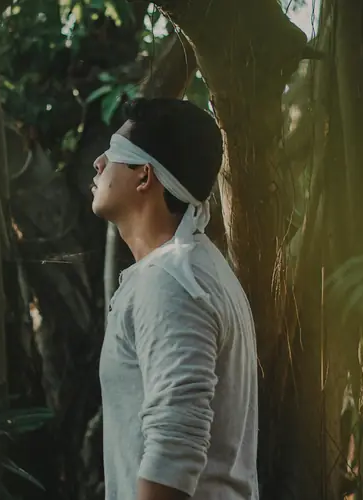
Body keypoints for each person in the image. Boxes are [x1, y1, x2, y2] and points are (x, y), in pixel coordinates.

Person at [92, 98, 258, 500]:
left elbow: (174, 444)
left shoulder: (170, 282)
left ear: (144, 176)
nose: (98, 163)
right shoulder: (194, 269)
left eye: (113, 154)